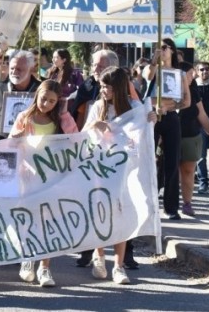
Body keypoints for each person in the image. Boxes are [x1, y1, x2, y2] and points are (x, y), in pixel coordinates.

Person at [83, 66, 158, 285]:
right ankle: (99, 255)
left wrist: (151, 118)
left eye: (107, 86)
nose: (102, 89)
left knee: (121, 213)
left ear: (118, 87)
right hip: (100, 168)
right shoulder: (98, 106)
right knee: (100, 212)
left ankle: (118, 264)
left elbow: (142, 133)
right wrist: (95, 124)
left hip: (125, 169)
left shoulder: (135, 107)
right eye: (102, 85)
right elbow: (82, 136)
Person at [10, 79, 79, 288]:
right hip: (27, 177)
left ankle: (45, 266)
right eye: (43, 99)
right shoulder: (25, 117)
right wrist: (18, 136)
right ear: (37, 96)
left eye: (51, 101)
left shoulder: (60, 120)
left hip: (52, 178)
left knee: (49, 221)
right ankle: (27, 258)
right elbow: (11, 140)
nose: (46, 104)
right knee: (29, 219)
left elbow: (76, 139)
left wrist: (65, 113)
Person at [143, 38, 190, 220]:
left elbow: (186, 101)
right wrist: (154, 61)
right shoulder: (152, 69)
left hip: (169, 116)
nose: (160, 50)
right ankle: (147, 205)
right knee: (148, 160)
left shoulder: (179, 73)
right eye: (157, 48)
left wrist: (167, 108)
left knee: (172, 162)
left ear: (171, 50)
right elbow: (148, 76)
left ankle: (171, 208)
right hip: (151, 117)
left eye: (163, 48)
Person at [176, 62, 209, 217]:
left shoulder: (194, 89)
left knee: (189, 170)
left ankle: (187, 203)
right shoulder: (170, 88)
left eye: (193, 73)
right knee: (173, 172)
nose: (193, 76)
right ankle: (172, 203)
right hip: (172, 135)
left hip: (191, 135)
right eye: (190, 73)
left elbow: (201, 113)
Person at [0, 50, 40, 139]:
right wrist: (3, 133)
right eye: (12, 68)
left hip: (32, 146)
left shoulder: (41, 90)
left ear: (30, 69)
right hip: (4, 145)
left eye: (19, 69)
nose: (14, 72)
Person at [69, 49, 120, 131]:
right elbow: (80, 117)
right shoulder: (86, 86)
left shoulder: (124, 87)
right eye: (94, 65)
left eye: (100, 66)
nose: (95, 70)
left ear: (112, 69)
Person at [195, 61, 209, 194]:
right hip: (200, 125)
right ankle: (203, 183)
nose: (204, 72)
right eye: (201, 69)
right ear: (197, 71)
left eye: (207, 69)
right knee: (201, 157)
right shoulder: (194, 86)